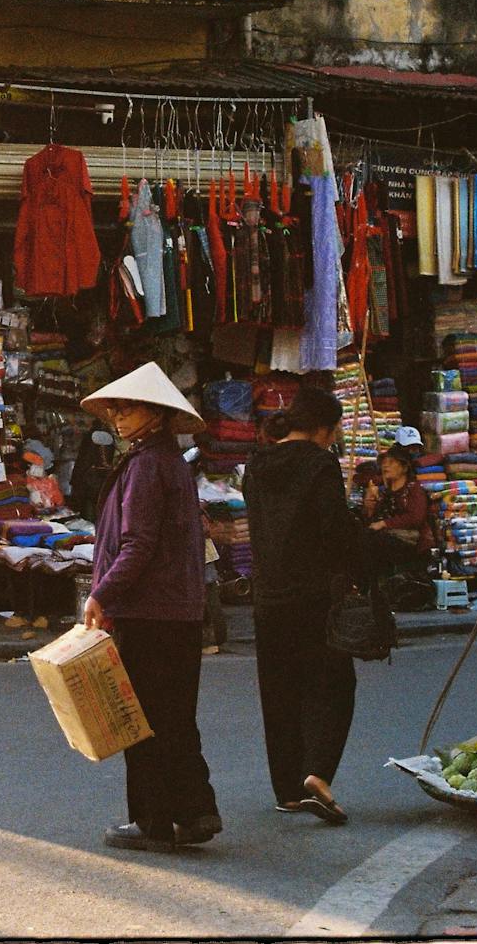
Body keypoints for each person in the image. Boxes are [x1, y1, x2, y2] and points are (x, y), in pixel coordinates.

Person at [79, 363, 221, 853]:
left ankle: (154, 820)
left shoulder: (146, 466)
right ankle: (196, 810)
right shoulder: (169, 463)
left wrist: (102, 594)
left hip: (150, 612)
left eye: (128, 407)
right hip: (176, 612)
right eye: (116, 409)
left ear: (156, 415)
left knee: (141, 719)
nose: (118, 417)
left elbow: (136, 545)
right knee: (175, 716)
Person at [243, 386, 367, 826]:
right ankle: (316, 774)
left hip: (268, 596)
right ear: (322, 429)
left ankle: (287, 791)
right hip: (314, 595)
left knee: (279, 692)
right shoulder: (320, 463)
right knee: (333, 685)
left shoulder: (256, 465)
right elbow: (333, 529)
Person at [361, 447, 434, 572]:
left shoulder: (414, 489)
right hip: (389, 540)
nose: (386, 466)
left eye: (391, 462)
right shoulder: (385, 492)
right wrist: (369, 507)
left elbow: (415, 518)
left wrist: (384, 523)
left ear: (404, 468)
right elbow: (375, 519)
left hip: (412, 544)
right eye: (384, 463)